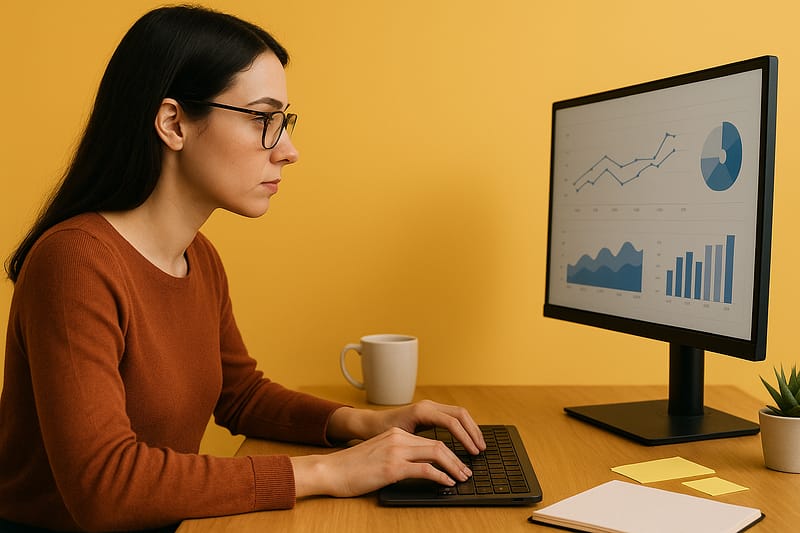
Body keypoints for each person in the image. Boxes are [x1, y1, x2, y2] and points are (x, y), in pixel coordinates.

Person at [0, 5, 486, 532]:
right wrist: (330, 471)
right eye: (261, 119)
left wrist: (366, 424)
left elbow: (241, 395)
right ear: (173, 123)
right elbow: (105, 486)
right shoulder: (74, 264)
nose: (289, 151)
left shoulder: (199, 256)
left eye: (283, 121)